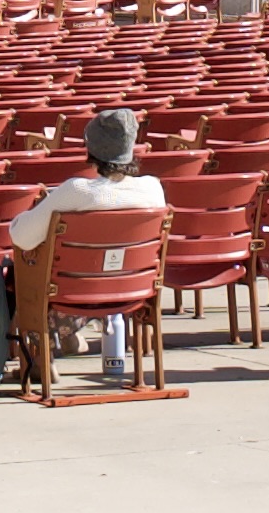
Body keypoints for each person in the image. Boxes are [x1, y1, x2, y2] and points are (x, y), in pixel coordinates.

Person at [13, 107, 165, 386]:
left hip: (72, 292)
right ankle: (69, 337)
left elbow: (22, 238)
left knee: (18, 271)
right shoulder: (154, 189)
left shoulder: (76, 191)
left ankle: (40, 356)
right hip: (132, 290)